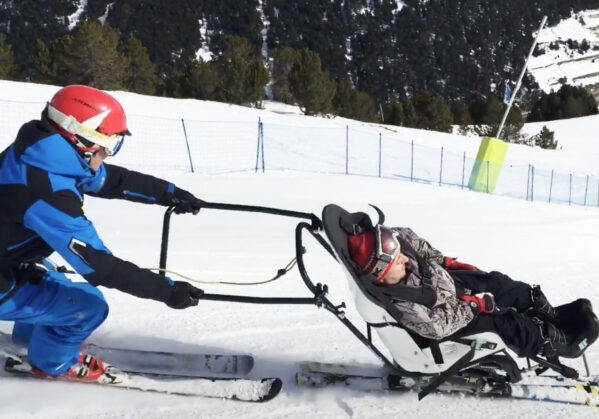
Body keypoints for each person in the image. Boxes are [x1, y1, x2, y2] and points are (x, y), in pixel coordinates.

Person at [0, 85, 205, 382]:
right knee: (89, 306)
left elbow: (112, 181)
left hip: (7, 259)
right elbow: (100, 267)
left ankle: (36, 339)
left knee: (53, 279)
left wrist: (169, 193)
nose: (108, 154)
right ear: (82, 140)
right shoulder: (46, 193)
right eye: (109, 145)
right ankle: (50, 363)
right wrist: (168, 291)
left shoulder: (40, 151)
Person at [347, 224, 598, 364]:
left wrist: (446, 263)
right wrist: (475, 305)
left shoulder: (396, 249)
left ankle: (553, 317)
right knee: (503, 322)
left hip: (449, 284)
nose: (403, 258)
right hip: (455, 319)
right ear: (380, 273)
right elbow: (436, 327)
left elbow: (412, 241)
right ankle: (553, 343)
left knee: (500, 283)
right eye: (396, 261)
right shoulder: (401, 303)